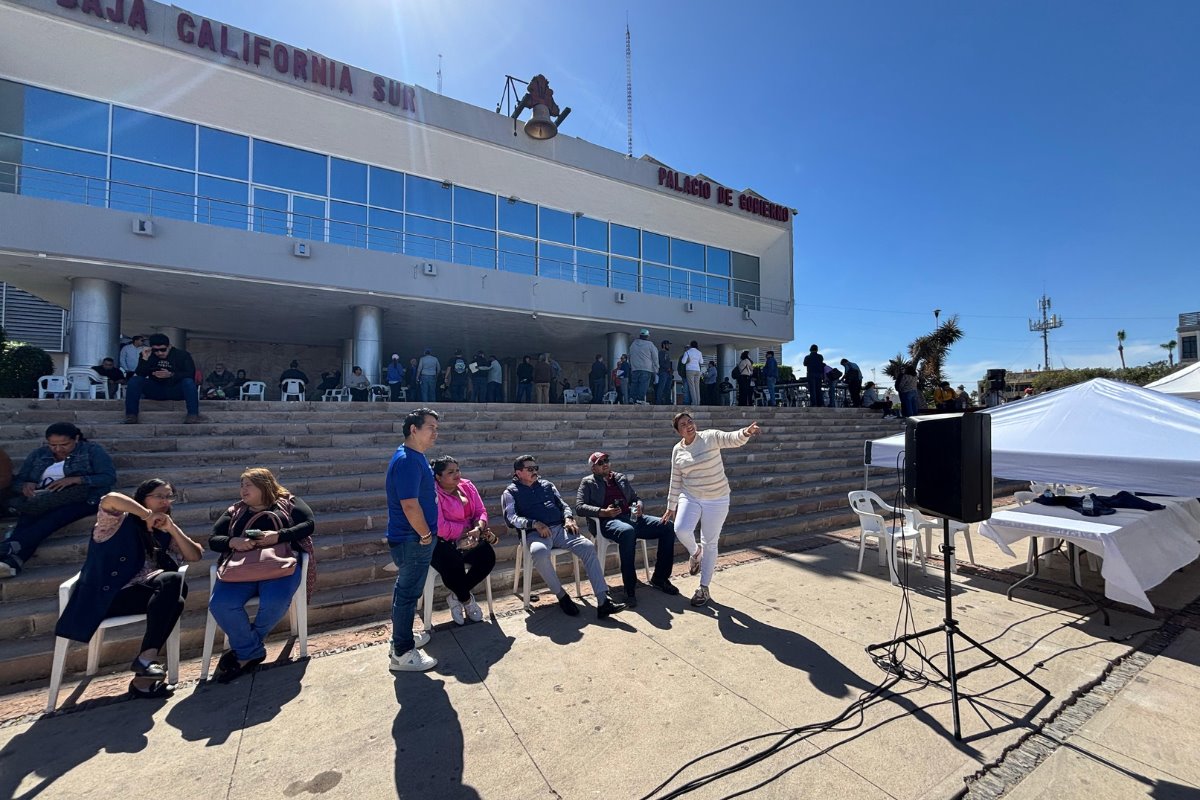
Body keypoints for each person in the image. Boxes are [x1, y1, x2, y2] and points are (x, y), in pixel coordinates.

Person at [54, 479, 202, 698]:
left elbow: (195, 555)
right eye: (158, 496)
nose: (165, 501)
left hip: (139, 592)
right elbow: (110, 499)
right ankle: (144, 668)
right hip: (106, 597)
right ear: (143, 498)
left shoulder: (161, 529)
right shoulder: (115, 523)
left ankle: (145, 663)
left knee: (174, 586)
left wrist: (172, 527)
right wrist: (146, 515)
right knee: (173, 589)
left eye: (168, 497)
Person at [208, 468, 316, 683]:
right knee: (220, 604)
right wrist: (233, 542)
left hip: (279, 566)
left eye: (248, 484)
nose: (243, 489)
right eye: (242, 485)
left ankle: (245, 650)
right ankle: (251, 650)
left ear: (264, 485)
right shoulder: (235, 511)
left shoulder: (288, 503)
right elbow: (213, 539)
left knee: (275, 601)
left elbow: (308, 525)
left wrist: (279, 536)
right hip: (241, 568)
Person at [501, 455, 625, 619]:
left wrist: (568, 518)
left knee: (587, 546)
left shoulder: (547, 485)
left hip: (560, 529)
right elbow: (511, 518)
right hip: (536, 534)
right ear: (518, 472)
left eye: (535, 468)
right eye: (530, 469)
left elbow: (563, 505)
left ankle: (603, 601)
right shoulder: (510, 492)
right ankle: (562, 596)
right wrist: (534, 524)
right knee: (539, 553)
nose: (534, 471)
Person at [663, 413, 760, 607]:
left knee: (710, 543)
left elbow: (731, 438)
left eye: (690, 421)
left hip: (717, 498)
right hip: (690, 495)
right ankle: (696, 553)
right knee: (680, 529)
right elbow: (676, 478)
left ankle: (703, 587)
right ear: (678, 432)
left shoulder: (709, 436)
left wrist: (746, 432)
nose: (688, 425)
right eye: (683, 424)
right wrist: (671, 506)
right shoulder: (677, 450)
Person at [1, 422, 117, 578]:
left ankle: (10, 548)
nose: (58, 449)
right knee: (27, 518)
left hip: (83, 497)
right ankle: (13, 561)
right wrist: (25, 485)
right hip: (42, 498)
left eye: (64, 444)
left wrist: (76, 480)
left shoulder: (91, 451)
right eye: (53, 445)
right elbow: (17, 481)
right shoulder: (39, 454)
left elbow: (108, 477)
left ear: (76, 439)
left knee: (53, 518)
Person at [576, 452, 678, 608]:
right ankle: (629, 590)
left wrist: (639, 506)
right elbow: (579, 507)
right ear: (593, 468)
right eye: (600, 462)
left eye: (606, 460)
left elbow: (635, 498)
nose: (605, 463)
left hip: (632, 517)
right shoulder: (588, 482)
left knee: (667, 526)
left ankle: (660, 578)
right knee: (628, 532)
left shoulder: (620, 477)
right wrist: (603, 512)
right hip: (608, 522)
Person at [385, 408, 440, 671]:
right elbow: (409, 505)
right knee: (408, 595)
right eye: (431, 427)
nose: (435, 433)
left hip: (412, 538)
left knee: (404, 592)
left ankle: (401, 638)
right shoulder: (407, 460)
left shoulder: (415, 457)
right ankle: (403, 653)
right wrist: (426, 535)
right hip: (412, 539)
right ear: (413, 429)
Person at [430, 456, 496, 625]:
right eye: (450, 472)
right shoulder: (432, 493)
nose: (456, 474)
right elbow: (440, 526)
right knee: (453, 564)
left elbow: (481, 511)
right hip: (443, 541)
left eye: (457, 470)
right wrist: (465, 532)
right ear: (438, 476)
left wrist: (478, 528)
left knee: (487, 557)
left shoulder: (467, 485)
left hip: (470, 536)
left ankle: (455, 597)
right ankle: (466, 600)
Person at [126, 333, 200, 423]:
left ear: (169, 346)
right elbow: (140, 374)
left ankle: (193, 414)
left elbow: (190, 374)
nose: (159, 353)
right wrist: (144, 359)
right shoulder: (148, 355)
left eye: (163, 349)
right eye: (156, 350)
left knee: (188, 382)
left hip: (176, 389)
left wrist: (171, 374)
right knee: (134, 380)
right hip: (157, 389)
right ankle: (131, 415)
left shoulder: (182, 355)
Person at [628, 329, 657, 405]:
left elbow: (629, 355)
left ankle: (632, 398)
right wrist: (656, 368)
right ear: (647, 336)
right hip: (646, 368)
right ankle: (640, 399)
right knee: (643, 384)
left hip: (635, 368)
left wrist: (632, 366)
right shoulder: (650, 345)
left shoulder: (633, 344)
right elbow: (655, 357)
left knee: (634, 383)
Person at [681, 341, 704, 407]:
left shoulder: (687, 352)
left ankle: (694, 402)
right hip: (697, 370)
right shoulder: (699, 352)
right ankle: (698, 402)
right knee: (697, 387)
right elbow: (701, 362)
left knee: (692, 387)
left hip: (690, 370)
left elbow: (683, 362)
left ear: (690, 345)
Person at [656, 340, 675, 405]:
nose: (669, 346)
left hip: (668, 373)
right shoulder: (661, 353)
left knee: (668, 388)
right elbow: (661, 362)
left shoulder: (667, 353)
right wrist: (668, 368)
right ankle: (658, 401)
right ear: (664, 345)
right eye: (667, 344)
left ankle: (668, 401)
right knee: (661, 387)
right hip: (663, 372)